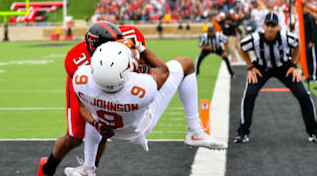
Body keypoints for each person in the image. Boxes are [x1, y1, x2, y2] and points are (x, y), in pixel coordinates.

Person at [65, 40, 227, 175]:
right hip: (139, 127)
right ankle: (194, 131)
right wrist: (140, 48)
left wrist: (96, 124)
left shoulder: (80, 79)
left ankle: (87, 168)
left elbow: (82, 106)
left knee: (92, 108)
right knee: (186, 63)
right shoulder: (142, 89)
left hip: (105, 128)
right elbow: (163, 71)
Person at [37, 21, 147, 176]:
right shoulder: (76, 60)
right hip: (85, 83)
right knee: (75, 136)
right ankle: (48, 168)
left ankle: (90, 170)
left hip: (118, 80)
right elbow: (83, 102)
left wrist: (142, 67)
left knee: (104, 128)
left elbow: (148, 62)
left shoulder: (132, 36)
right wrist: (95, 122)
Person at [234, 12, 317, 143]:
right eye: (268, 25)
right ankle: (242, 132)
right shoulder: (255, 38)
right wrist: (250, 67)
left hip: (284, 67)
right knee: (249, 94)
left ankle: (314, 131)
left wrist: (294, 65)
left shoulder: (285, 37)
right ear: (263, 26)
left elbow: (297, 44)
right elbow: (241, 46)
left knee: (303, 95)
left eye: (273, 25)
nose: (270, 28)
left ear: (278, 27)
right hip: (261, 68)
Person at [302, 9, 317, 81]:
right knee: (308, 58)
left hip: (310, 41)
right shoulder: (303, 17)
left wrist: (312, 41)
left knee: (312, 59)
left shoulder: (310, 17)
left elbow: (314, 29)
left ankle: (313, 76)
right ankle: (308, 74)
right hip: (305, 41)